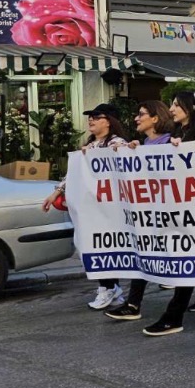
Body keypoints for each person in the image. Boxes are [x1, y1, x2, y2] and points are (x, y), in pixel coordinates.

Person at [139, 91, 195, 336]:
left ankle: (173, 316)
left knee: (188, 258)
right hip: (181, 209)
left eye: (177, 105)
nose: (172, 108)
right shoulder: (178, 133)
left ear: (192, 108)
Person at [43, 102, 129, 310]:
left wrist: (121, 152)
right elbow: (75, 174)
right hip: (93, 209)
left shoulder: (117, 143)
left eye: (96, 116)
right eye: (90, 116)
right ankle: (110, 288)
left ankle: (108, 288)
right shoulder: (90, 145)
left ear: (108, 121)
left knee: (106, 247)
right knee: (94, 246)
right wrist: (57, 191)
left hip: (110, 209)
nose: (90, 120)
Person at [103, 101, 176, 321]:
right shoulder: (144, 143)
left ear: (155, 119)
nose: (136, 118)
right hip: (149, 213)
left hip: (169, 215)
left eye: (141, 114)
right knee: (143, 251)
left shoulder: (169, 143)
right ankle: (133, 304)